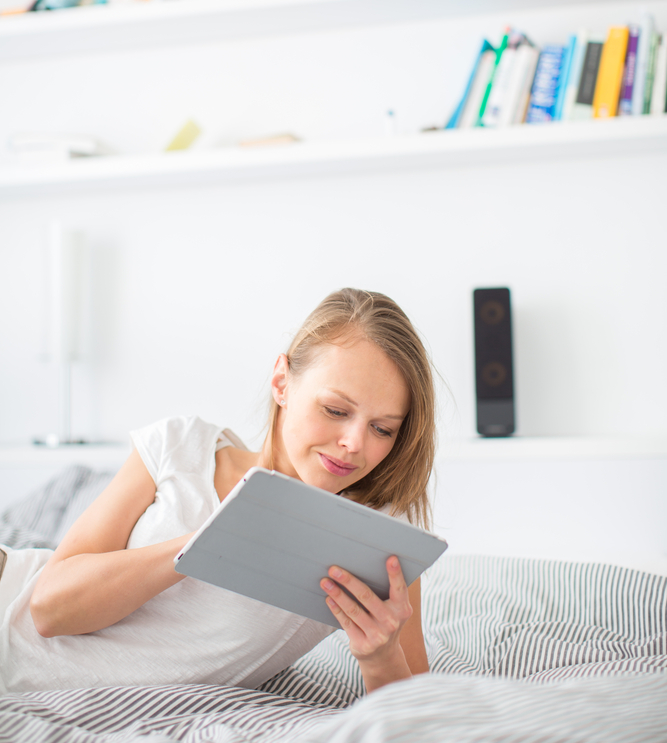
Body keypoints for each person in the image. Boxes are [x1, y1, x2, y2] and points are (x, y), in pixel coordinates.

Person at [0, 288, 436, 694]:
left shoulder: (377, 542)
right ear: (282, 383)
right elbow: (48, 608)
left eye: (382, 428)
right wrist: (212, 540)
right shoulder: (181, 447)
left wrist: (378, 659)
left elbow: (419, 715)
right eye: (335, 410)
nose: (355, 443)